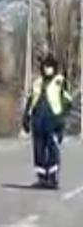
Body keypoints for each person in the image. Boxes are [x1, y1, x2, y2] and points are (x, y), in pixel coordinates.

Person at [22, 53, 73, 189]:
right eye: (45, 66)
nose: (47, 69)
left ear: (54, 67)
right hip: (38, 122)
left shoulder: (60, 81)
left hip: (53, 121)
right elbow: (30, 101)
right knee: (38, 150)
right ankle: (42, 178)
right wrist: (26, 118)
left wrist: (61, 118)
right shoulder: (37, 83)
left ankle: (53, 178)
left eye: (50, 66)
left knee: (52, 150)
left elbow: (68, 101)